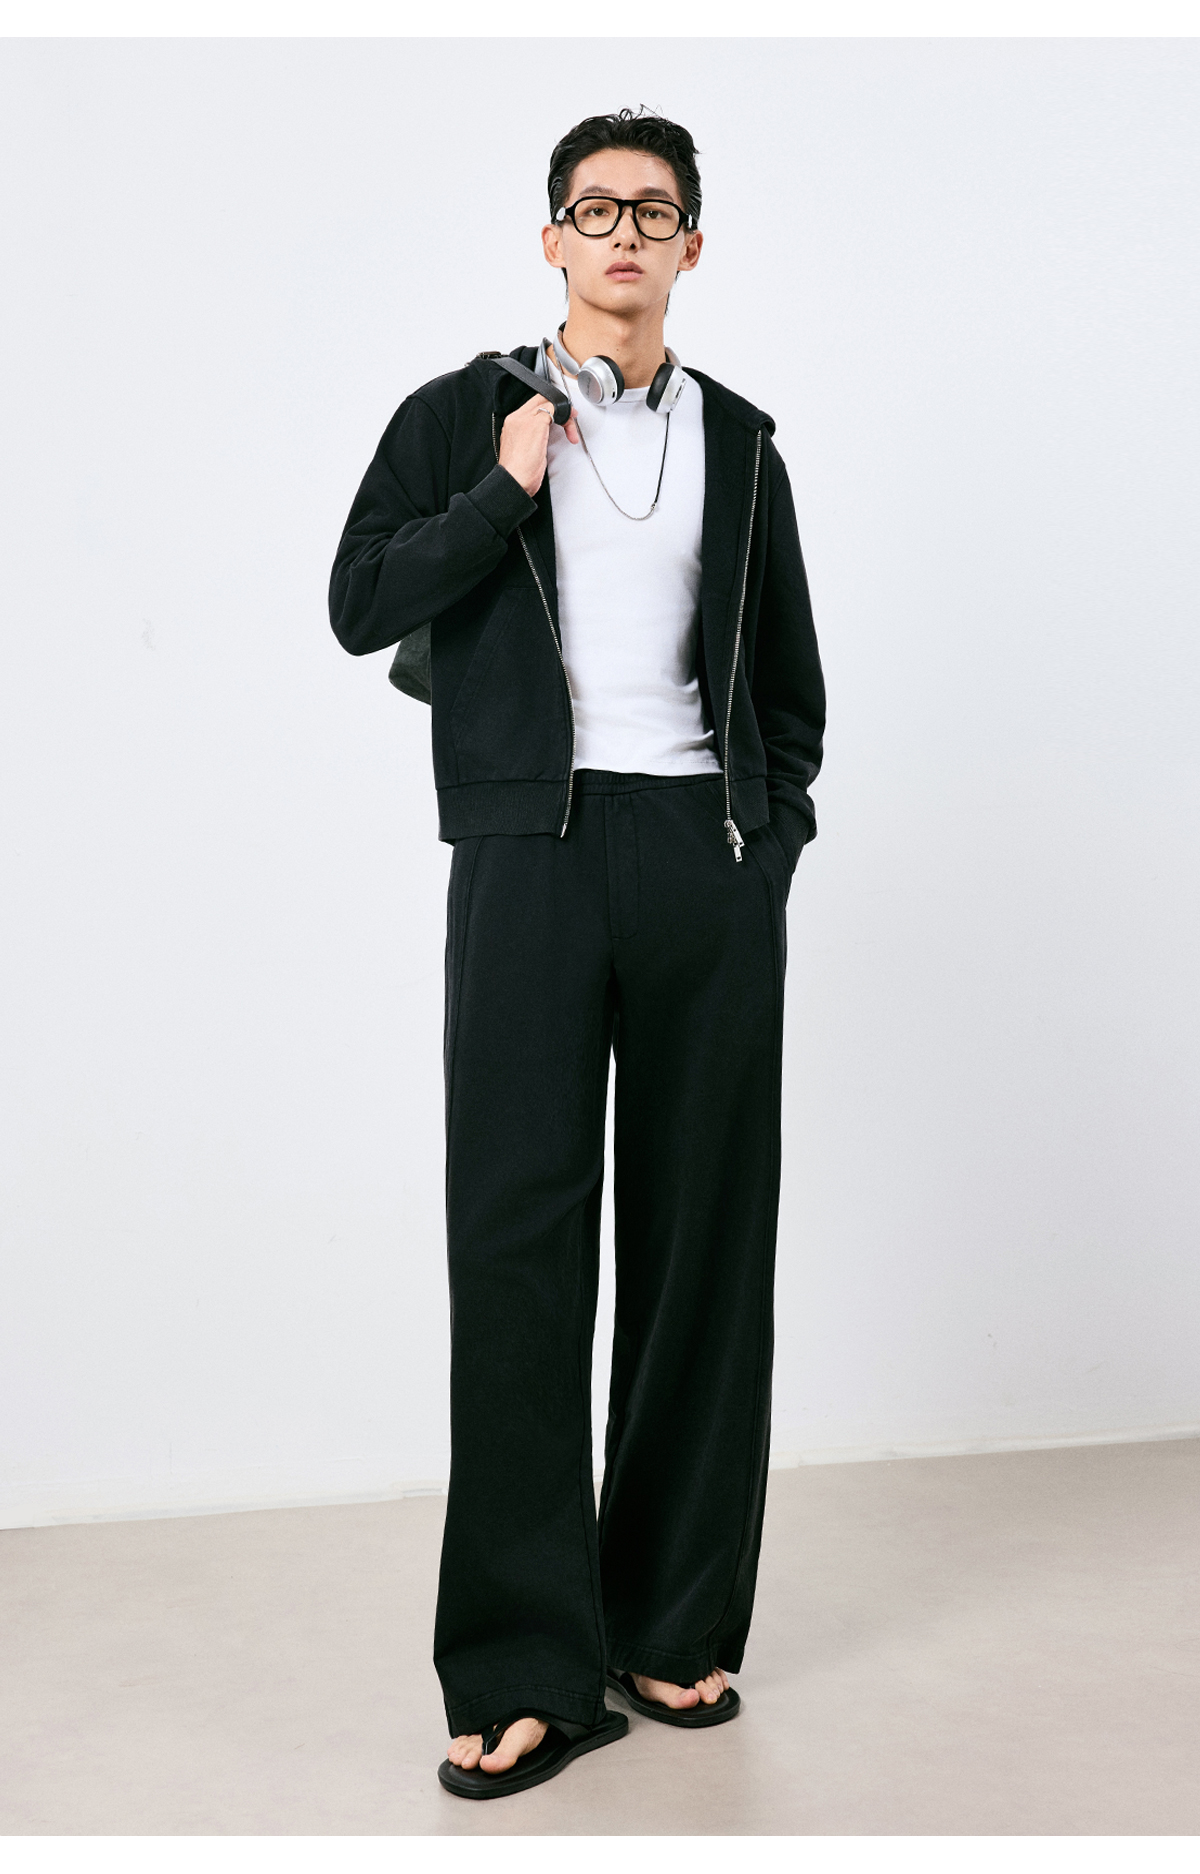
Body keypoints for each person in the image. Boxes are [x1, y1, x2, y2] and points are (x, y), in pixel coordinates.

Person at [329, 107, 825, 1800]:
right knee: (520, 1250)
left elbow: (788, 688)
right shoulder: (462, 414)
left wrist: (765, 847)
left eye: (653, 210)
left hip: (700, 860)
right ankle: (526, 1660)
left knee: (702, 1249)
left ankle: (672, 1620)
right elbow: (361, 601)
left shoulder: (742, 444)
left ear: (693, 246)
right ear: (551, 240)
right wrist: (503, 486)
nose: (624, 231)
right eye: (594, 208)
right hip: (526, 857)